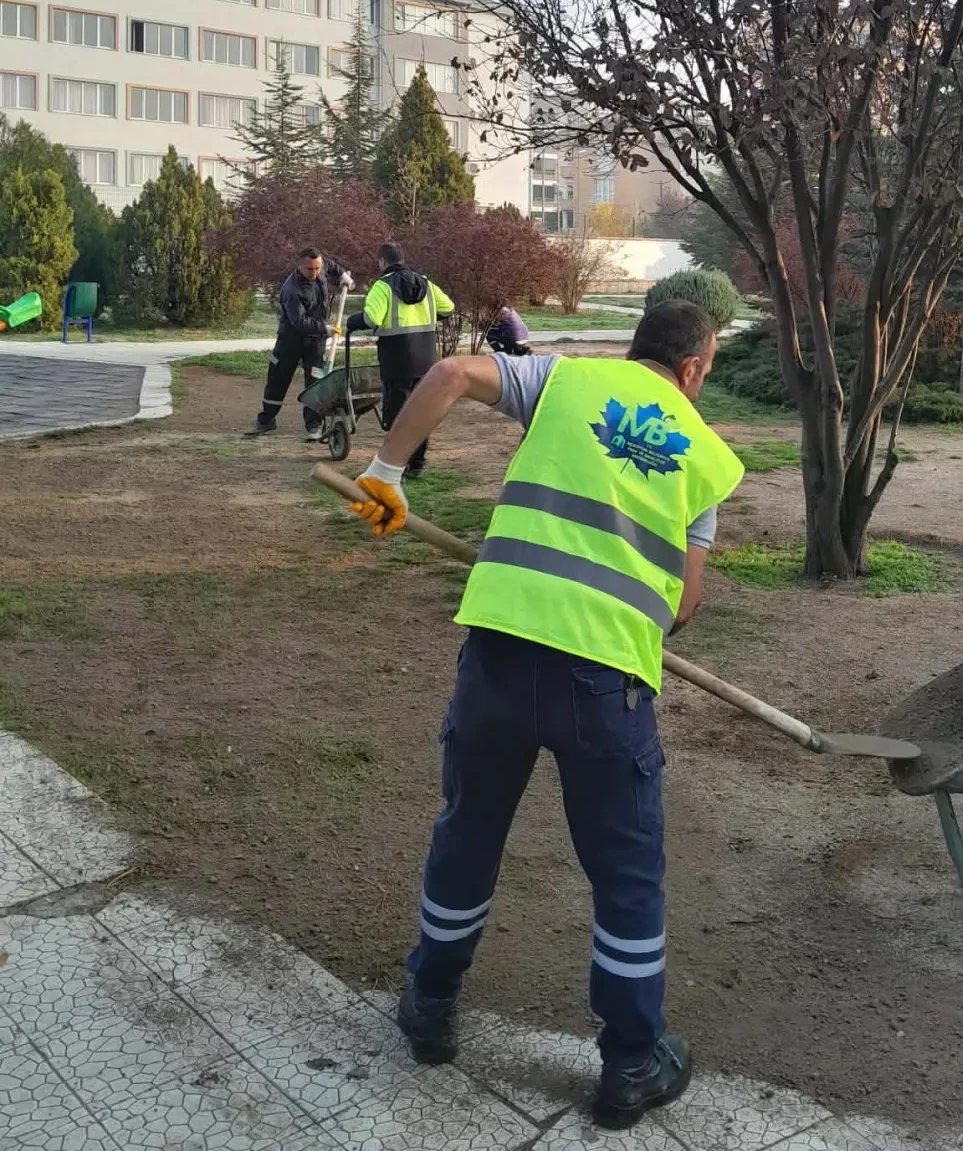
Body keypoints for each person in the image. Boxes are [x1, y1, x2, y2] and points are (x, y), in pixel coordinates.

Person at [346, 300, 744, 1127]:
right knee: (627, 876)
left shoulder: (565, 378)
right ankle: (632, 1063)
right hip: (607, 684)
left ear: (636, 348)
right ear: (696, 367)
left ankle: (430, 1003)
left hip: (501, 651)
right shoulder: (705, 458)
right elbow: (687, 602)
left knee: (470, 830)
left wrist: (385, 471)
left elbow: (451, 372)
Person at [345, 242, 455, 479]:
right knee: (422, 409)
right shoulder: (425, 283)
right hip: (426, 359)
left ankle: (397, 464)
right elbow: (448, 307)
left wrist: (353, 321)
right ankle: (418, 463)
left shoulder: (382, 287)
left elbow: (371, 318)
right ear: (402, 259)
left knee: (398, 413)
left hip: (396, 359)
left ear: (383, 262)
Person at [250, 248, 351, 438]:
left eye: (317, 268)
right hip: (291, 339)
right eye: (309, 269)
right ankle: (266, 420)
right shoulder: (292, 289)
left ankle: (314, 425)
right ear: (299, 266)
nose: (314, 273)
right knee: (278, 378)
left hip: (315, 342)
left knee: (315, 381)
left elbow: (331, 266)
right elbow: (299, 322)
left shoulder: (321, 267)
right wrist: (325, 329)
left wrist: (343, 274)